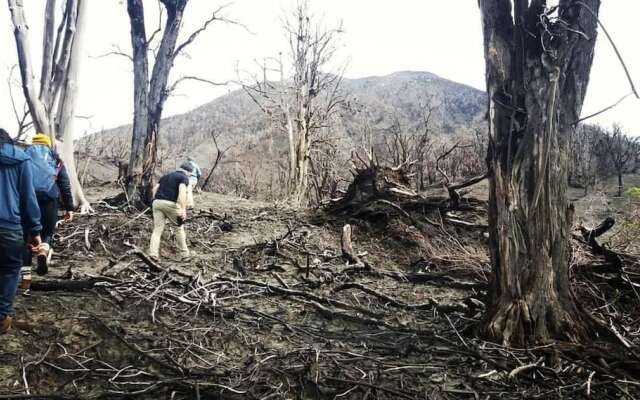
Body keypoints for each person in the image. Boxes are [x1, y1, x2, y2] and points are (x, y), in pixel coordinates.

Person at [0, 128, 42, 334]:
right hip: (9, 227)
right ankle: (2, 318)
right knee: (9, 271)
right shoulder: (21, 159)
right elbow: (28, 198)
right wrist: (35, 230)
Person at [22, 133, 74, 277]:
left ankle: (25, 279)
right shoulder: (55, 159)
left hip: (28, 200)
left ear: (33, 143)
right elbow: (65, 185)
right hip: (49, 201)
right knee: (47, 233)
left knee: (27, 237)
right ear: (47, 144)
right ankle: (43, 253)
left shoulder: (24, 157)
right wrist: (70, 208)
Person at [148, 162, 193, 260]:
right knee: (179, 228)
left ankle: (153, 254)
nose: (189, 176)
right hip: (171, 204)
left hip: (157, 203)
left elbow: (154, 189)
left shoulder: (165, 176)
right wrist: (183, 209)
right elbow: (182, 193)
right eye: (190, 174)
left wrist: (154, 201)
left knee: (157, 230)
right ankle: (185, 255)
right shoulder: (183, 178)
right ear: (188, 172)